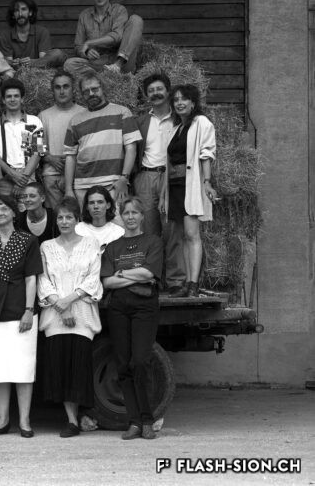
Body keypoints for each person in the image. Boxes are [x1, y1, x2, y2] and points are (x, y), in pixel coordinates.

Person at [0, 195, 43, 438]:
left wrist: (28, 310)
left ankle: (24, 420)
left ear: (15, 213)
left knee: (23, 367)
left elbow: (31, 278)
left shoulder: (28, 240)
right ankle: (2, 419)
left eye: (4, 208)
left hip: (20, 309)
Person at [37, 197, 103, 437]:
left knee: (78, 367)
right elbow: (43, 280)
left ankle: (79, 416)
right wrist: (61, 306)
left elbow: (93, 278)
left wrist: (68, 302)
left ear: (77, 219)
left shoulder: (91, 244)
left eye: (69, 217)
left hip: (82, 314)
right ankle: (71, 420)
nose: (64, 221)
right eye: (60, 217)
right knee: (61, 367)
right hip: (55, 316)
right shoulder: (46, 247)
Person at [101, 197, 163, 440]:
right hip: (118, 307)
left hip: (144, 306)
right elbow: (107, 282)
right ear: (121, 216)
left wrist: (121, 273)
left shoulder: (152, 242)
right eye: (126, 213)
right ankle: (135, 422)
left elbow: (150, 273)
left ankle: (148, 419)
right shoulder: (113, 247)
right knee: (123, 364)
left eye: (135, 213)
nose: (130, 217)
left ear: (142, 216)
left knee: (140, 361)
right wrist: (135, 275)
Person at [161, 84, 217, 298]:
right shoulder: (177, 128)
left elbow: (206, 153)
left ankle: (193, 283)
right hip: (175, 186)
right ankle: (186, 282)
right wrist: (164, 194)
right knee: (183, 236)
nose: (179, 103)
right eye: (175, 100)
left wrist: (207, 182)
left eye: (184, 99)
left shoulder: (201, 123)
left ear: (193, 102)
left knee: (192, 234)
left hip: (190, 186)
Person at [134, 73, 186, 292]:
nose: (155, 93)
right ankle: (152, 279)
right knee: (149, 232)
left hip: (172, 177)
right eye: (151, 90)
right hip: (146, 177)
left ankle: (175, 281)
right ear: (146, 95)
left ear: (168, 91)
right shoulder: (140, 121)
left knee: (173, 230)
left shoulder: (180, 118)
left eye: (159, 89)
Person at [64, 69, 141, 207]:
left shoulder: (122, 112)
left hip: (113, 184)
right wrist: (69, 189)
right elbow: (70, 157)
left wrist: (124, 178)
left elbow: (131, 149)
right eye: (86, 91)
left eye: (94, 89)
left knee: (117, 221)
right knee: (86, 222)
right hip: (83, 187)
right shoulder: (75, 121)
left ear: (103, 88)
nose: (91, 94)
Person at [64, 0, 144, 75]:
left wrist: (90, 42)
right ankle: (104, 75)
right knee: (68, 64)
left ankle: (116, 67)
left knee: (136, 19)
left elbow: (117, 36)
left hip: (121, 61)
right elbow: (78, 45)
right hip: (98, 62)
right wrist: (87, 52)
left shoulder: (119, 10)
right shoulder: (84, 15)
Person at [0, 78, 43, 198]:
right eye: (9, 96)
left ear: (22, 99)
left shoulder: (34, 121)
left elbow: (37, 152)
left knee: (27, 208)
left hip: (28, 177)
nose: (12, 99)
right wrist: (13, 174)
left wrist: (23, 178)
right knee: (5, 208)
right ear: (3, 100)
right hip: (4, 178)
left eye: (16, 96)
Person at [39, 70, 84, 210]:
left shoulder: (84, 113)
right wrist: (49, 158)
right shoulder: (43, 116)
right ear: (53, 91)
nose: (62, 91)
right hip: (52, 175)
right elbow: (33, 146)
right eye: (58, 87)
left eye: (66, 86)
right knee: (56, 218)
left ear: (73, 89)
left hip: (79, 175)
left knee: (80, 216)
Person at [0, 0, 66, 69]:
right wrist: (13, 62)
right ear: (13, 15)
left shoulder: (42, 32)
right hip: (16, 70)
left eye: (23, 9)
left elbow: (43, 59)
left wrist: (32, 62)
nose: (20, 14)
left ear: (30, 12)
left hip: (38, 69)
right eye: (16, 11)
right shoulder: (5, 35)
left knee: (58, 53)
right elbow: (8, 63)